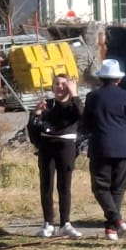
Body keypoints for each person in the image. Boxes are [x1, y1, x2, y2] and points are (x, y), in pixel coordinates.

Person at [80, 59, 126, 242]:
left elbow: (86, 125)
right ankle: (112, 227)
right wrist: (125, 135)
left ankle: (115, 221)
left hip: (100, 146)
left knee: (100, 187)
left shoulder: (92, 97)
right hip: (122, 146)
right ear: (119, 79)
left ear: (101, 79)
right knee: (118, 188)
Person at [27, 73, 83, 238]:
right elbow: (33, 130)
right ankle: (48, 223)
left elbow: (82, 116)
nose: (60, 87)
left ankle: (65, 223)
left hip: (66, 147)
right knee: (46, 185)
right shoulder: (47, 105)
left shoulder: (74, 105)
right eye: (57, 84)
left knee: (64, 186)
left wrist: (75, 94)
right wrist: (36, 114)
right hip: (47, 148)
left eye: (64, 84)